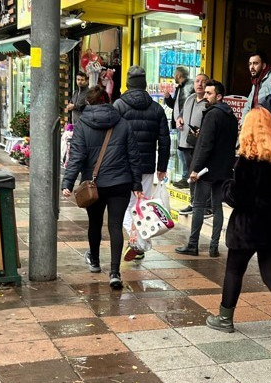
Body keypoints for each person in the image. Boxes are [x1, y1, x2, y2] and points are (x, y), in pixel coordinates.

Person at [206, 107, 271, 347]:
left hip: (249, 226)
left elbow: (238, 197)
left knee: (233, 270)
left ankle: (224, 318)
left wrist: (225, 187)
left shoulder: (247, 162)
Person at [62, 85, 143, 289]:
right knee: (115, 226)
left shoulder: (81, 125)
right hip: (120, 183)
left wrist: (68, 183)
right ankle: (115, 272)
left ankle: (95, 262)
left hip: (94, 185)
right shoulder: (123, 123)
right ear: (107, 100)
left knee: (95, 223)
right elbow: (134, 156)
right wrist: (137, 183)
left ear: (88, 102)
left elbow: (77, 157)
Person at [113, 66, 170, 261]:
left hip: (123, 164)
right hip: (146, 165)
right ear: (144, 84)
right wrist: (162, 166)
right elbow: (165, 140)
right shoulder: (157, 108)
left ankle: (136, 240)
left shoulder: (118, 106)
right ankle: (139, 241)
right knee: (141, 204)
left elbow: (111, 137)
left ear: (128, 84)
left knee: (125, 204)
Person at [175, 80, 238, 258]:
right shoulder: (231, 116)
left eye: (209, 93)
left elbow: (206, 145)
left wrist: (195, 169)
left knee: (199, 205)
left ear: (219, 96)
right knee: (217, 207)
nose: (206, 96)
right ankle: (213, 247)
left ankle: (193, 244)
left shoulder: (212, 114)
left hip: (206, 170)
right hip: (223, 169)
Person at [175, 73, 210, 216]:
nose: (200, 84)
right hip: (185, 142)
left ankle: (205, 205)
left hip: (199, 146)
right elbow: (181, 115)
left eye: (203, 82)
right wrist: (178, 120)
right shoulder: (189, 99)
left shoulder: (208, 103)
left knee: (201, 176)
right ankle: (193, 203)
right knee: (190, 176)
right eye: (197, 81)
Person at [163, 66, 195, 188]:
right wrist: (167, 97)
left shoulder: (188, 87)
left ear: (179, 75)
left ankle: (186, 177)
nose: (173, 77)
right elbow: (174, 105)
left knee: (183, 151)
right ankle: (185, 176)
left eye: (174, 74)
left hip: (184, 124)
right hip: (179, 124)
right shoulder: (180, 88)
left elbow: (185, 107)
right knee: (180, 151)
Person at [239, 51, 271, 125]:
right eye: (250, 64)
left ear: (264, 65)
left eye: (255, 63)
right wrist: (243, 124)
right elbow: (248, 105)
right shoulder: (256, 82)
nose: (252, 67)